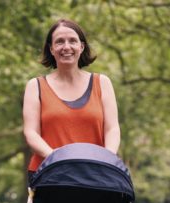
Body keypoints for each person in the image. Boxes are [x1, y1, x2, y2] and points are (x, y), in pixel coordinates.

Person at [22, 19, 120, 173]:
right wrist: (57, 160)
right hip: (49, 175)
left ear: (81, 47)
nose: (66, 47)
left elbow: (112, 129)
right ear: (51, 49)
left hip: (95, 176)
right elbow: (31, 132)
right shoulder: (35, 86)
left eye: (72, 41)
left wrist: (106, 159)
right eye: (60, 42)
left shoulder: (102, 83)